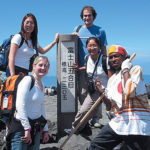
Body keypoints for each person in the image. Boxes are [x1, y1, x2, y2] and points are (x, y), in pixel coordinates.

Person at [89, 45, 150, 150]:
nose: (113, 60)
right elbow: (109, 106)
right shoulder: (112, 79)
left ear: (124, 57)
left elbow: (129, 91)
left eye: (116, 56)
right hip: (119, 122)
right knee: (96, 145)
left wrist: (125, 69)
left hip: (137, 123)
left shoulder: (135, 70)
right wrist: (101, 91)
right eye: (111, 57)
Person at [64, 37, 108, 135]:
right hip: (95, 91)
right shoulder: (87, 58)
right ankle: (75, 129)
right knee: (83, 110)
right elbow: (88, 68)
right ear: (86, 47)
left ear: (99, 47)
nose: (92, 48)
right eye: (89, 46)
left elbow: (112, 75)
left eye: (94, 45)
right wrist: (79, 68)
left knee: (113, 112)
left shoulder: (105, 60)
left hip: (107, 90)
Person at [73, 6, 107, 126]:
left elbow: (103, 49)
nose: (87, 18)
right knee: (83, 93)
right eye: (84, 15)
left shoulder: (100, 31)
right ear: (82, 17)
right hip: (82, 67)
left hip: (97, 67)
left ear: (94, 16)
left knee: (97, 92)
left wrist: (105, 66)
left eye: (89, 15)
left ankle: (96, 118)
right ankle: (86, 118)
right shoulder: (77, 29)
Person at [7, 56, 50, 150]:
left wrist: (45, 129)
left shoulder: (41, 84)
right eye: (40, 65)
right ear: (34, 66)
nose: (43, 68)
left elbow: (41, 107)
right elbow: (20, 105)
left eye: (46, 66)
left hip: (35, 128)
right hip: (21, 129)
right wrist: (27, 128)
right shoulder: (27, 80)